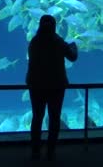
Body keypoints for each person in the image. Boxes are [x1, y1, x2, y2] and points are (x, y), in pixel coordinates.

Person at [26, 14, 78, 161]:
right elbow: (72, 57)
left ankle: (35, 151)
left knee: (37, 117)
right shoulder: (58, 41)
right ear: (54, 26)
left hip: (36, 85)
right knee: (54, 118)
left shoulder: (34, 41)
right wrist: (73, 46)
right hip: (56, 85)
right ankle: (50, 151)